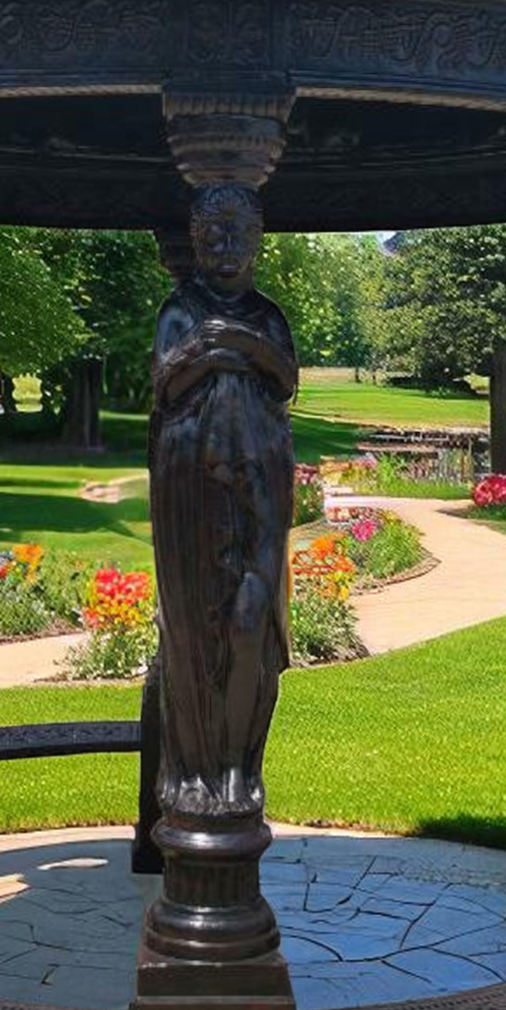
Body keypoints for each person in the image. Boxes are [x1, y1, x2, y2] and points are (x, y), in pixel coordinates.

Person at [149, 184, 297, 820]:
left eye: (239, 233)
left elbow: (283, 376)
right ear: (196, 239)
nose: (227, 247)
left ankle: (238, 762)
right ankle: (197, 765)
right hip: (192, 497)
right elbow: (169, 378)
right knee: (193, 633)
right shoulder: (179, 310)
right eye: (213, 235)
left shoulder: (267, 315)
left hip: (260, 489)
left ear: (260, 238)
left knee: (248, 623)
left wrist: (233, 346)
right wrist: (210, 349)